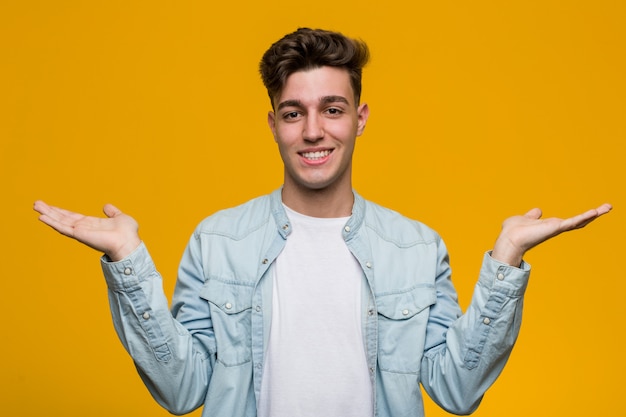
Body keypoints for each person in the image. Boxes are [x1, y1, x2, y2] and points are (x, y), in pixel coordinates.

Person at [33, 28, 611, 417]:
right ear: (273, 123)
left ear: (359, 119)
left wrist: (506, 260)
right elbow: (184, 392)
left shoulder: (414, 246)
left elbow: (455, 391)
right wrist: (127, 263)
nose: (313, 131)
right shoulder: (218, 242)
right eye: (294, 113)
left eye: (332, 110)